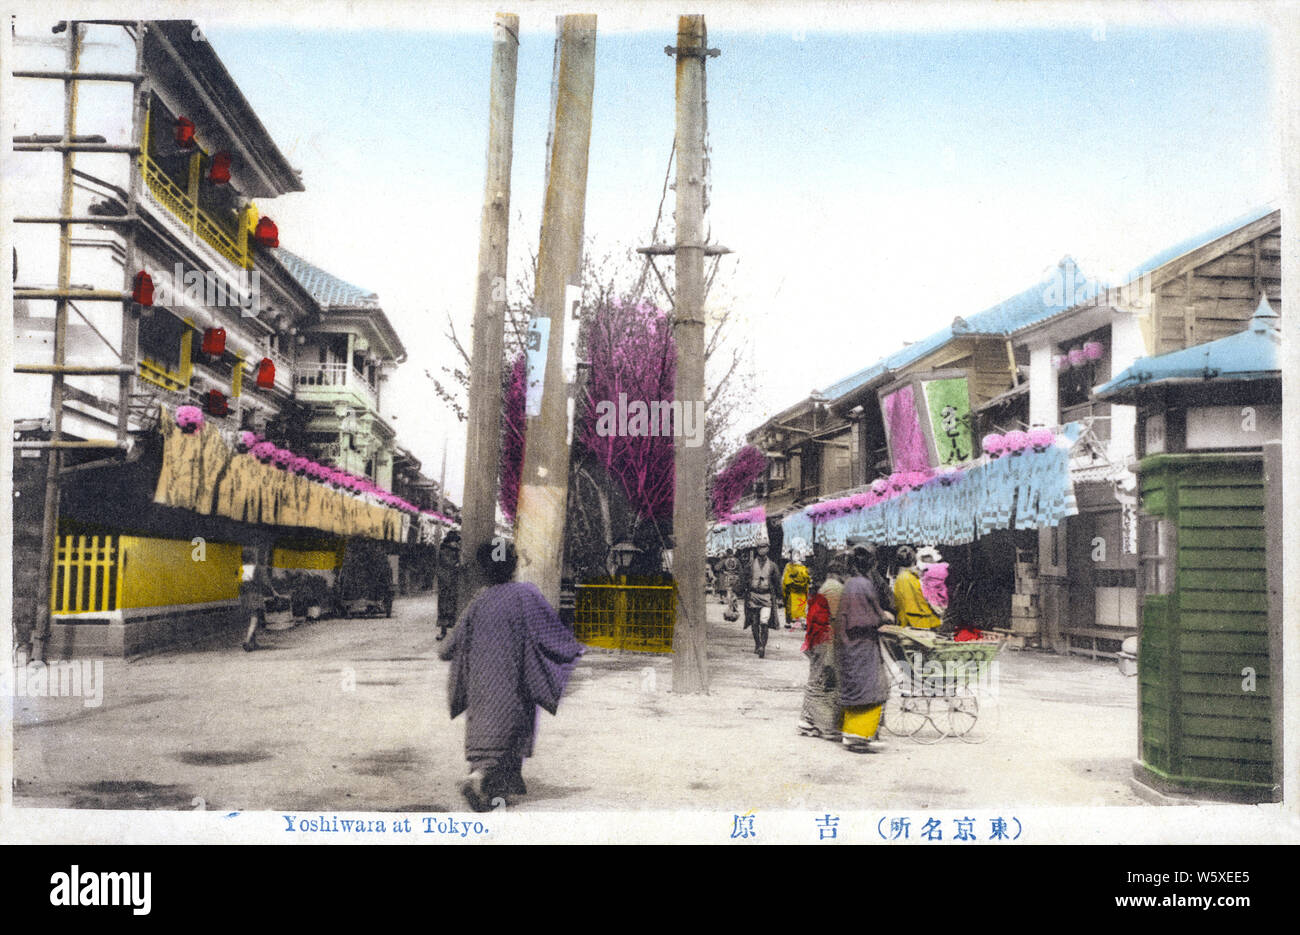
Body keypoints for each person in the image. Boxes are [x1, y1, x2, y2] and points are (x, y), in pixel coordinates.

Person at [438, 541, 583, 811]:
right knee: (513, 732)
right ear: (513, 566)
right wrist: (572, 649)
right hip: (514, 685)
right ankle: (486, 780)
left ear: (484, 570)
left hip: (479, 690)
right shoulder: (525, 594)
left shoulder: (479, 600)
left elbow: (447, 649)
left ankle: (480, 774)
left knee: (484, 741)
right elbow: (551, 634)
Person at [837, 546, 894, 753]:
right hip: (863, 643)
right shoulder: (864, 585)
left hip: (849, 642)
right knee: (873, 686)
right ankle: (861, 734)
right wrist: (885, 617)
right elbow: (870, 615)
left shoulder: (850, 584)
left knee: (858, 686)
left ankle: (851, 732)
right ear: (872, 564)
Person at [797, 555, 847, 740]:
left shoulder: (828, 586)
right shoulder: (835, 588)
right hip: (823, 640)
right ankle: (808, 719)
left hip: (817, 638)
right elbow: (838, 617)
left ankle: (810, 720)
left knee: (820, 678)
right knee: (818, 680)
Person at [741, 543, 783, 658]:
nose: (762, 550)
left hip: (766, 597)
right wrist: (736, 593)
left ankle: (762, 647)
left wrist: (780, 596)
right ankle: (757, 644)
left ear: (768, 549)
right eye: (760, 548)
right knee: (754, 622)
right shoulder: (750, 564)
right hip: (753, 596)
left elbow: (777, 582)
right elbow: (743, 579)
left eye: (764, 547)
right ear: (757, 549)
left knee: (764, 621)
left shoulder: (773, 566)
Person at [893, 544, 942, 629]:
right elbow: (935, 606)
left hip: (904, 624)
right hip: (925, 624)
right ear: (915, 560)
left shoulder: (898, 580)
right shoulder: (917, 579)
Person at [435, 531, 461, 641]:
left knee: (451, 607)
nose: (457, 544)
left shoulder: (454, 551)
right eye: (455, 542)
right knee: (445, 607)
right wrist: (458, 565)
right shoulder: (445, 551)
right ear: (451, 542)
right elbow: (450, 564)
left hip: (452, 583)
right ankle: (444, 631)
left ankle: (449, 632)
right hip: (446, 583)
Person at [782, 555, 811, 630]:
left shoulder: (788, 566)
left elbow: (785, 580)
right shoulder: (804, 568)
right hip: (802, 589)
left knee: (789, 604)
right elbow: (808, 580)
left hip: (791, 589)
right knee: (802, 604)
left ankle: (788, 622)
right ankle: (804, 621)